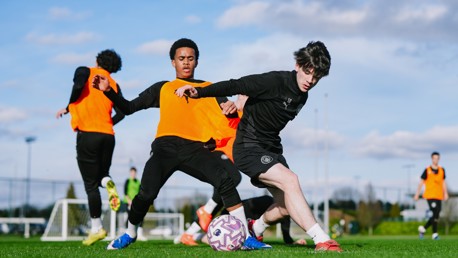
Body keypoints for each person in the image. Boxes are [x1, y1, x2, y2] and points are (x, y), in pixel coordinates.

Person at [92, 38, 269, 250]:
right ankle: (130, 233)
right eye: (181, 58)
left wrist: (230, 105)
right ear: (173, 62)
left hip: (195, 148)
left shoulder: (209, 89)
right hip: (164, 148)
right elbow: (128, 108)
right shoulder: (163, 88)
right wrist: (108, 92)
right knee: (146, 194)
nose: (186, 62)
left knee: (225, 179)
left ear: (196, 62)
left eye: (190, 58)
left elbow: (230, 111)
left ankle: (244, 236)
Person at [175, 41, 342, 252]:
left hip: (271, 149)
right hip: (248, 148)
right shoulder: (274, 81)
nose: (311, 80)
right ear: (298, 64)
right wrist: (199, 92)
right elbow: (235, 84)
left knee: (285, 206)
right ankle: (323, 240)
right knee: (291, 181)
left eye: (317, 76)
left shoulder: (303, 95)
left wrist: (244, 104)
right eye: (308, 72)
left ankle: (255, 227)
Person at [55, 49, 124, 246]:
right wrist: (107, 124)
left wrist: (69, 105)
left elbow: (78, 86)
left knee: (90, 186)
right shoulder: (114, 85)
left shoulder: (85, 71)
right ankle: (108, 181)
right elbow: (122, 113)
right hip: (108, 136)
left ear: (97, 60)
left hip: (88, 134)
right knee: (102, 175)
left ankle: (97, 228)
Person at [178, 195, 307, 246]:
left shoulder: (283, 212)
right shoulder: (270, 204)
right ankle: (193, 235)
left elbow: (286, 231)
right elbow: (247, 209)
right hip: (233, 213)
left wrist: (291, 242)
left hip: (246, 216)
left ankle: (192, 234)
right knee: (222, 239)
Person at [414, 151, 449, 240]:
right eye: (434, 158)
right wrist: (417, 194)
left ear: (439, 159)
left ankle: (423, 229)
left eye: (437, 158)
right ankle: (435, 234)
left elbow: (443, 182)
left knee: (437, 214)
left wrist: (446, 193)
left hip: (439, 195)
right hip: (430, 195)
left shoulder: (442, 170)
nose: (436, 160)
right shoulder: (427, 170)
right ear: (432, 159)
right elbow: (421, 183)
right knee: (435, 212)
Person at [121, 166, 147, 241]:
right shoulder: (128, 181)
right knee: (130, 217)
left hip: (136, 203)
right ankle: (127, 233)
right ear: (130, 173)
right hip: (128, 202)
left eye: (134, 173)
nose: (133, 174)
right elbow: (125, 192)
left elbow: (140, 192)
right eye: (132, 172)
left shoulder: (138, 182)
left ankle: (140, 234)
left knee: (140, 217)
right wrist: (129, 201)